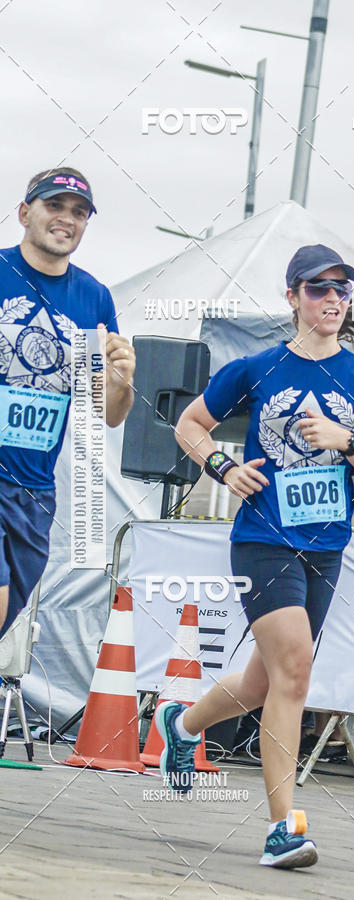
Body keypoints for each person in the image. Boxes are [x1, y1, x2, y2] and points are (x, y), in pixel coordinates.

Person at [164, 244, 354, 868]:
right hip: (263, 538)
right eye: (318, 289)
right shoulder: (256, 368)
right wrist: (221, 466)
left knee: (265, 679)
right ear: (293, 296)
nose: (332, 299)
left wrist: (348, 440)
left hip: (326, 546)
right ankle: (283, 828)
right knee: (295, 671)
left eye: (341, 290)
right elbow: (189, 423)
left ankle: (182, 726)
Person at [0, 167, 136, 638]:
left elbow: (111, 412)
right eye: (54, 205)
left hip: (34, 490)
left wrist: (122, 379)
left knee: (5, 614)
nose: (66, 218)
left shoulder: (93, 298)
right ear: (24, 213)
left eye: (78, 212)